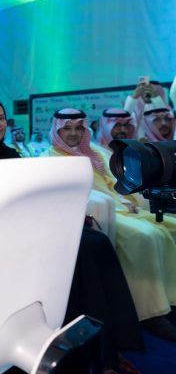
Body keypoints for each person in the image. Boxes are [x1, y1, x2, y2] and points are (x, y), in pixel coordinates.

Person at [0, 100, 144, 374]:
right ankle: (99, 357)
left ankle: (115, 343)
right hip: (4, 236)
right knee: (81, 252)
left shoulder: (11, 154)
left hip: (31, 224)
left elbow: (32, 196)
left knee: (98, 243)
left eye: (1, 118)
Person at [44, 108, 176, 341]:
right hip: (100, 214)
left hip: (126, 207)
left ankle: (170, 299)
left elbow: (120, 180)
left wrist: (132, 201)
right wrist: (120, 205)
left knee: (170, 228)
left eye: (79, 128)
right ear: (57, 131)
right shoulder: (50, 160)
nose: (73, 134)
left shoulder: (96, 152)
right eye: (67, 129)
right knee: (145, 237)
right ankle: (150, 313)